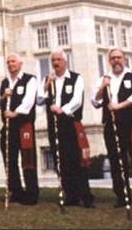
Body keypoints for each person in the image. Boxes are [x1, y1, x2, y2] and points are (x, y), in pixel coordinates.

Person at [91, 48, 132, 207]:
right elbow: (95, 101)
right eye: (113, 58)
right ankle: (122, 196)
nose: (116, 60)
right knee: (116, 161)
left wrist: (118, 106)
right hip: (112, 126)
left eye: (118, 57)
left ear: (124, 59)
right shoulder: (104, 79)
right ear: (109, 61)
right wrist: (102, 88)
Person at [38, 49, 94, 208]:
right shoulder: (48, 80)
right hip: (54, 126)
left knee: (77, 160)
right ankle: (70, 195)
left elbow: (77, 100)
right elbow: (39, 100)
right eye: (53, 60)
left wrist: (62, 109)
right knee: (60, 161)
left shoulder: (76, 78)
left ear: (65, 61)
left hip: (70, 123)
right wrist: (47, 85)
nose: (56, 63)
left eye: (58, 60)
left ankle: (86, 196)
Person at [0, 53, 39, 205]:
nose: (11, 64)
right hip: (8, 127)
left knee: (28, 160)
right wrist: (3, 97)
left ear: (20, 64)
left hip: (24, 125)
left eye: (13, 62)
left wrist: (15, 113)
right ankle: (16, 191)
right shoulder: (5, 82)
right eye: (8, 62)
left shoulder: (30, 80)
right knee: (9, 160)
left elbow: (29, 101)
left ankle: (32, 194)